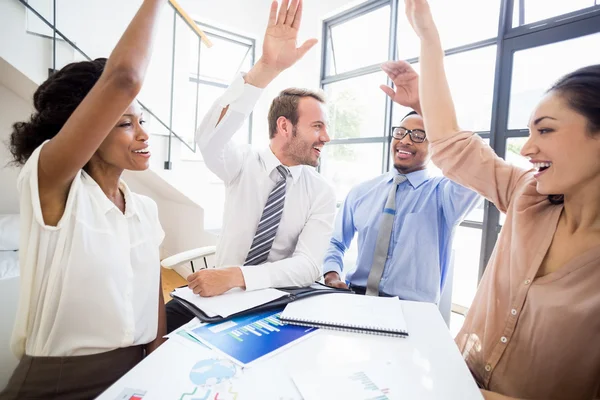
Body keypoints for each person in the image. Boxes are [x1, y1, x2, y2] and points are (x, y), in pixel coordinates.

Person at [403, 0, 600, 399]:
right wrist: (428, 37)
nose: (527, 149)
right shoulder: (528, 195)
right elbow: (451, 144)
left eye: (545, 131)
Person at [0, 1, 168, 399]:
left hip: (139, 369)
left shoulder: (145, 209)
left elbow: (150, 282)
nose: (142, 134)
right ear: (87, 130)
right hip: (61, 383)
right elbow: (124, 77)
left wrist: (158, 351)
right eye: (125, 123)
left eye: (142, 120)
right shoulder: (51, 185)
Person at [164, 0, 336, 333]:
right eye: (317, 126)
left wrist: (236, 277)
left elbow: (307, 265)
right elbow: (209, 138)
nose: (326, 137)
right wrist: (265, 70)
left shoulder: (321, 191)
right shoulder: (242, 163)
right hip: (217, 297)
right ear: (285, 127)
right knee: (157, 331)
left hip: (276, 302)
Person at [322, 95, 480, 302]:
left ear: (436, 144)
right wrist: (332, 274)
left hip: (412, 309)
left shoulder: (445, 195)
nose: (405, 140)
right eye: (401, 132)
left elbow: (474, 165)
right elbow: (336, 241)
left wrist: (439, 120)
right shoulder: (362, 192)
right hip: (356, 298)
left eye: (418, 135)